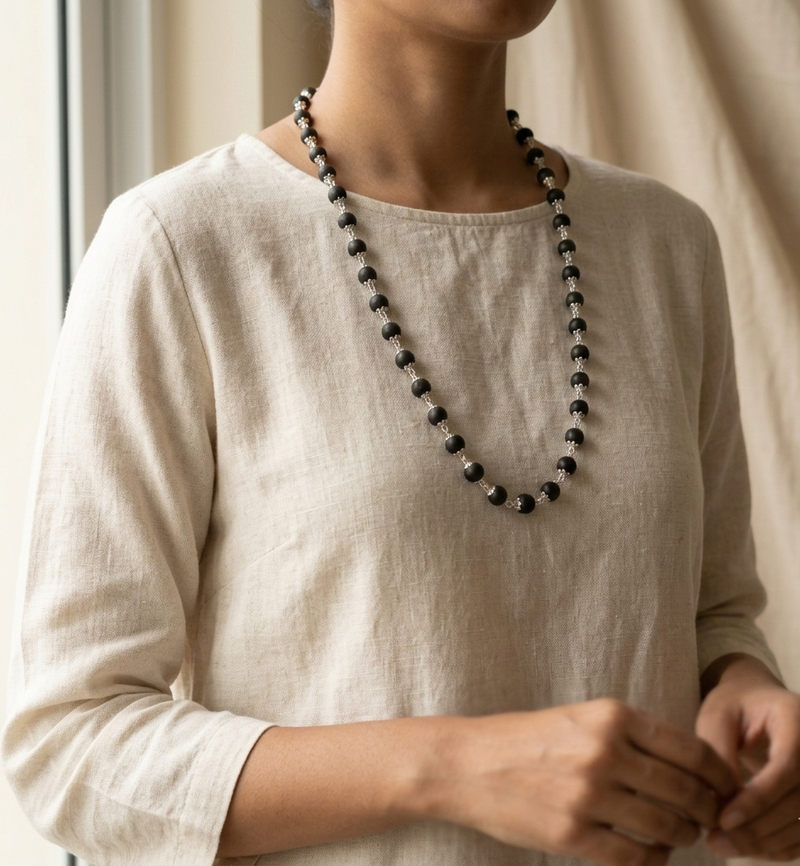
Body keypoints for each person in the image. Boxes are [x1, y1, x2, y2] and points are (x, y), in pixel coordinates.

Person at [3, 0, 800, 864]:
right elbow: (72, 747)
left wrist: (744, 687)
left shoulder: (666, 243)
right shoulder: (182, 249)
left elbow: (714, 614)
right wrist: (455, 767)